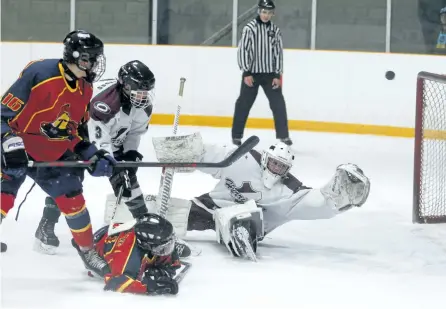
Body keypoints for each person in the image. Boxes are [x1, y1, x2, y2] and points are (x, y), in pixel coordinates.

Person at [121, 135, 370, 261]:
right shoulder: (241, 158)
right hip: (212, 205)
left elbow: (318, 203)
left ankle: (241, 235)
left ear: (287, 170)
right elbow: (208, 154)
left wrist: (340, 195)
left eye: (281, 167)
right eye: (272, 163)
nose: (275, 170)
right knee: (165, 213)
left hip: (248, 219)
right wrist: (175, 152)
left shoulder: (289, 192)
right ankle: (129, 220)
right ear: (265, 158)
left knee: (242, 217)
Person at [0, 30, 121, 276]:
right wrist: (10, 146)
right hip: (16, 147)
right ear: (75, 57)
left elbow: (73, 132)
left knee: (73, 198)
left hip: (50, 153)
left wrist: (91, 153)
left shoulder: (85, 88)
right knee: (4, 194)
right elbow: (2, 116)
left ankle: (87, 250)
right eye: (91, 59)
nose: (96, 64)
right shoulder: (40, 73)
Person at [34, 60, 157, 255]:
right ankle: (45, 225)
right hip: (80, 139)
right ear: (126, 85)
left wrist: (130, 155)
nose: (144, 97)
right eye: (140, 91)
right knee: (68, 182)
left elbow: (133, 134)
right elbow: (99, 142)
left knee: (127, 180)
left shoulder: (143, 107)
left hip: (108, 140)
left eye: (146, 92)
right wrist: (114, 163)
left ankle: (147, 229)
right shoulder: (105, 104)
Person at [232, 0, 292, 147]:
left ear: (273, 13)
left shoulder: (275, 31)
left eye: (269, 12)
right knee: (244, 104)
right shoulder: (249, 28)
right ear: (259, 11)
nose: (266, 15)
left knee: (278, 104)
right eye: (264, 12)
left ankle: (283, 136)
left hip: (270, 75)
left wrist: (277, 75)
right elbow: (243, 50)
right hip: (252, 73)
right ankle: (236, 135)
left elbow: (278, 53)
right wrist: (246, 72)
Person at [82, 213, 181, 295]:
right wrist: (151, 286)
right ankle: (91, 258)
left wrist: (165, 268)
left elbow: (169, 261)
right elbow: (114, 284)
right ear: (146, 245)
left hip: (116, 232)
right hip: (101, 247)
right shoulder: (128, 257)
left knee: (159, 249)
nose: (168, 251)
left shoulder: (143, 241)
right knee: (108, 271)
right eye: (164, 248)